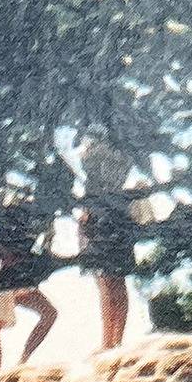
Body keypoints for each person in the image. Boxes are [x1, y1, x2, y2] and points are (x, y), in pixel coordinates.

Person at [77, 137, 146, 351]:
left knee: (108, 281)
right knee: (111, 280)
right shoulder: (121, 149)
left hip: (106, 217)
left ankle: (111, 340)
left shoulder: (104, 151)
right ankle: (112, 339)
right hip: (111, 216)